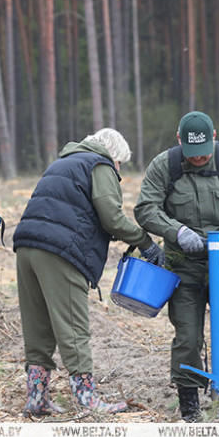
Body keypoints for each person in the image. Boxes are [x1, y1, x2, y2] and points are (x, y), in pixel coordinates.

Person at [13, 128, 165, 416]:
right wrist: (145, 242)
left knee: (38, 324)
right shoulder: (100, 164)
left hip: (26, 246)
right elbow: (111, 216)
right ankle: (87, 398)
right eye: (120, 164)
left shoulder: (62, 162)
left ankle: (37, 397)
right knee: (73, 326)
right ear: (114, 155)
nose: (118, 170)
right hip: (61, 252)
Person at [134, 111, 219, 422]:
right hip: (185, 267)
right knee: (188, 336)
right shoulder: (165, 165)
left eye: (204, 153)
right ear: (179, 141)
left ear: (214, 137)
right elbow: (145, 209)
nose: (198, 159)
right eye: (191, 154)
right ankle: (190, 406)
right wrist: (177, 232)